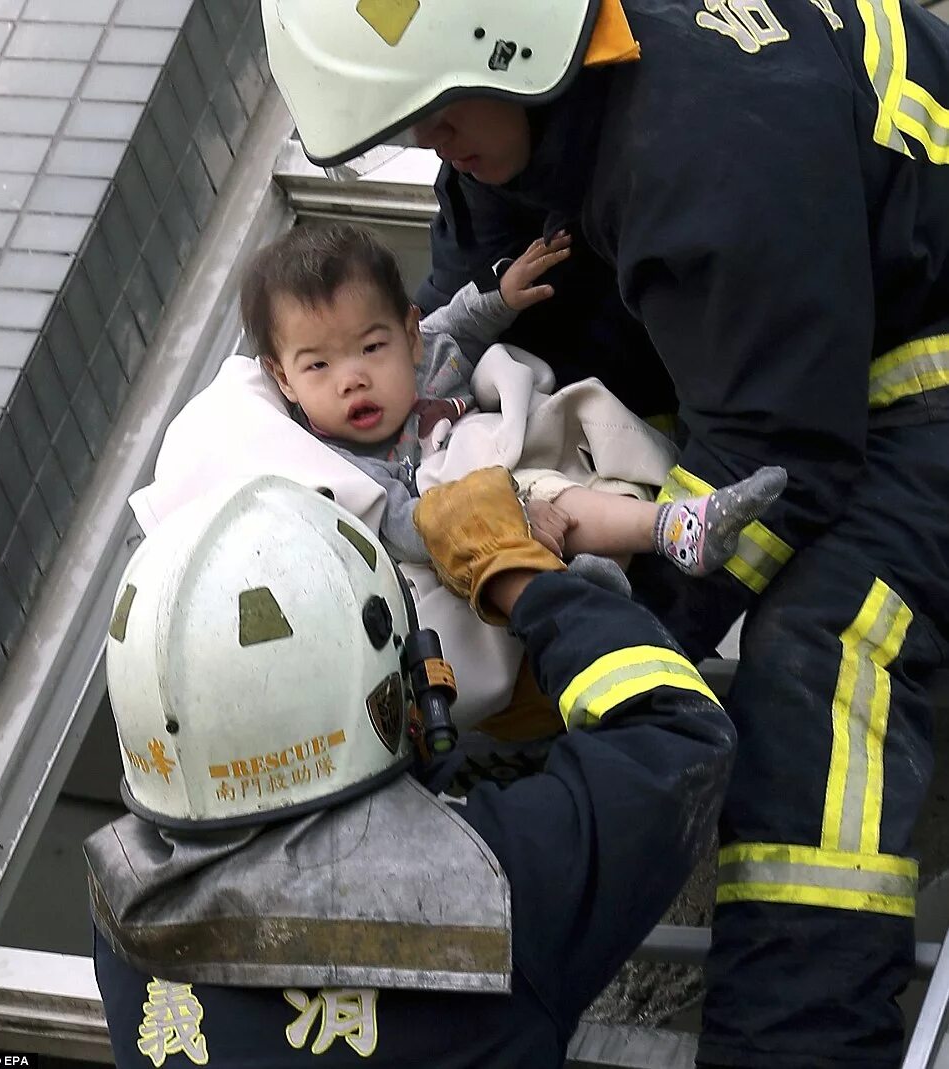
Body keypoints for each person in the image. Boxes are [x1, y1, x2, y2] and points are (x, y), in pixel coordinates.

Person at [260, 1, 949, 1066]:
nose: (428, 145)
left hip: (914, 366)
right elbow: (482, 294)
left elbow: (779, 466)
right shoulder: (538, 100)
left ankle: (794, 1041)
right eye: (409, 128)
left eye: (434, 117)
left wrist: (591, 647)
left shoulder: (703, 143)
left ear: (509, 42)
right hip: (812, 314)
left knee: (819, 660)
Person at [87, 467, 736, 1069]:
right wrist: (526, 579)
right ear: (385, 696)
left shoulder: (124, 905)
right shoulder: (505, 887)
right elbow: (681, 733)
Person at [241, 222, 785, 577]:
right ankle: (675, 529)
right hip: (486, 515)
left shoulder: (425, 353)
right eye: (318, 365)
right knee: (554, 498)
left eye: (370, 346)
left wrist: (502, 296)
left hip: (536, 454)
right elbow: (401, 524)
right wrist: (501, 511)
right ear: (282, 379)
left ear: (407, 335)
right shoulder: (337, 462)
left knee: (591, 425)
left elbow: (457, 324)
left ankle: (629, 551)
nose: (352, 378)